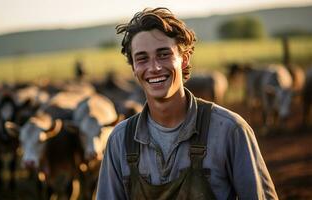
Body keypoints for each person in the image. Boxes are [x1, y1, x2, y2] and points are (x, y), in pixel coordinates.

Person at [96, 7, 278, 200]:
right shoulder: (120, 141)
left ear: (184, 58)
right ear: (134, 68)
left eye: (163, 54)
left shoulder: (230, 130)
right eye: (142, 58)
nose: (154, 67)